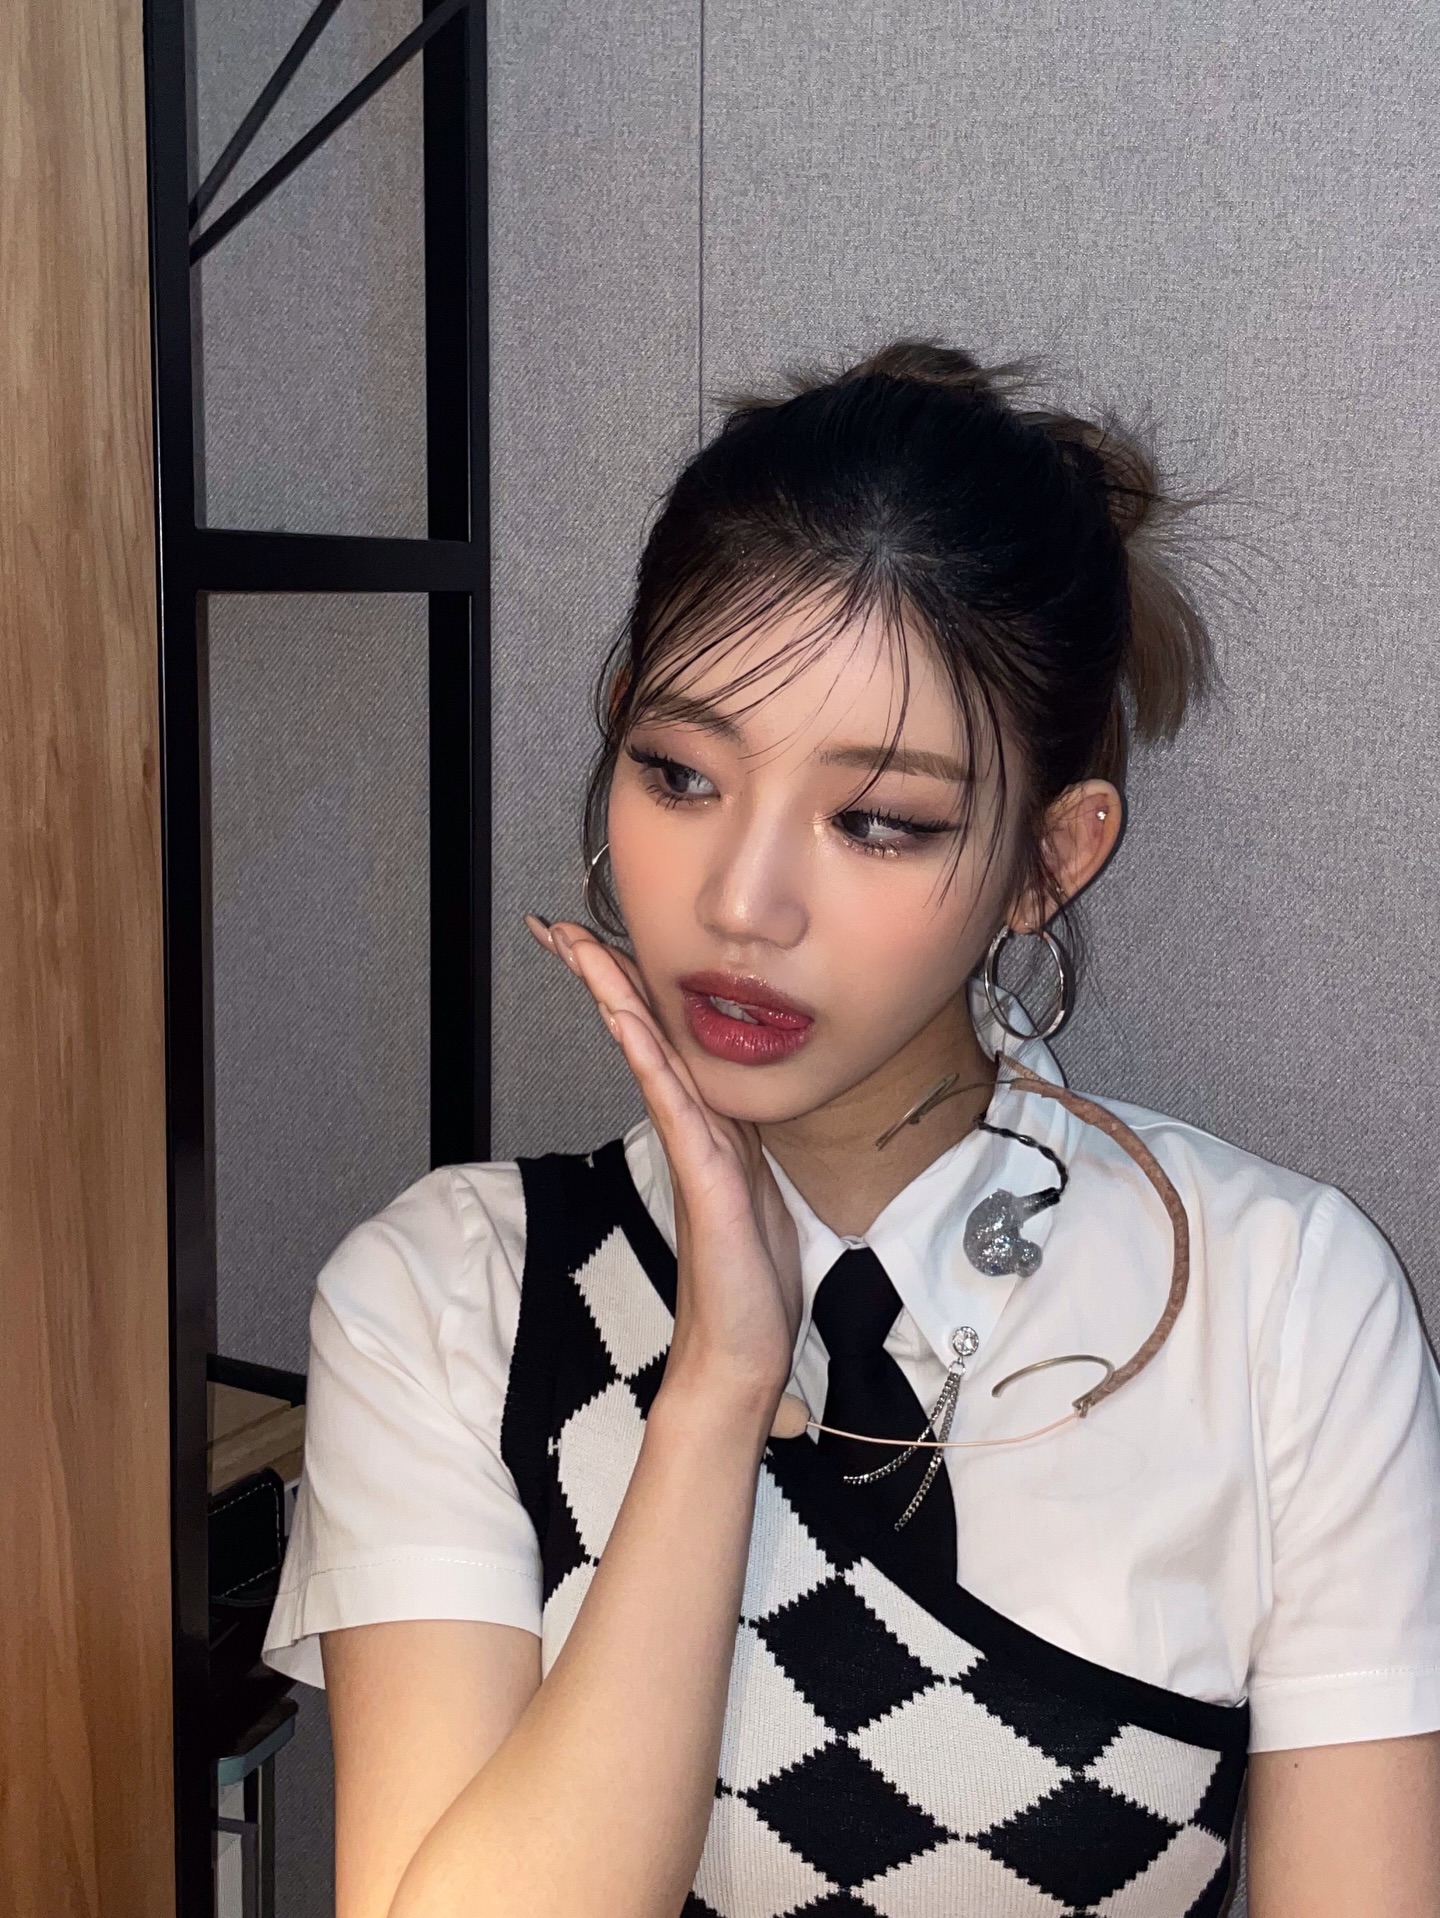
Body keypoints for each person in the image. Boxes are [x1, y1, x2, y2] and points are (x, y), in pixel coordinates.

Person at [262, 342, 1440, 1918]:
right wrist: (716, 1387)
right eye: (680, 772)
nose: (743, 901)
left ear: (1051, 857)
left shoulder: (1279, 1306)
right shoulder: (449, 1298)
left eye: (881, 820)